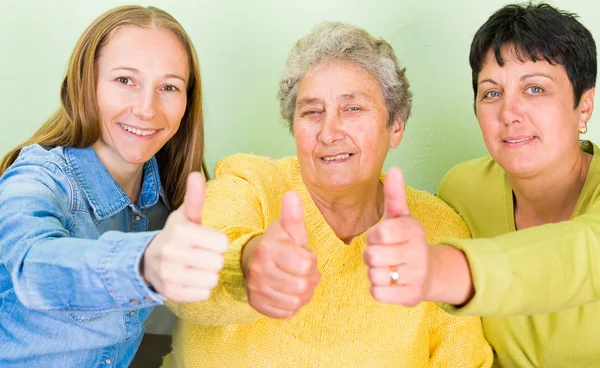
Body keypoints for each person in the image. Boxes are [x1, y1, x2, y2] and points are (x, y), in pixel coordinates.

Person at [163, 21, 492, 367]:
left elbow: (464, 360)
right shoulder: (250, 183)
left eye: (353, 109)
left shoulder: (438, 228)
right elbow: (182, 281)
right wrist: (245, 266)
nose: (329, 132)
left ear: (395, 126)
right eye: (312, 112)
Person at [371, 3, 600, 367]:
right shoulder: (462, 191)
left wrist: (438, 270)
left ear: (584, 105)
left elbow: (582, 256)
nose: (509, 113)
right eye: (491, 93)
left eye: (536, 89)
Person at [0, 5, 228, 367]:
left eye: (168, 87)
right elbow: (33, 266)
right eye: (125, 81)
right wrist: (143, 264)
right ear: (85, 83)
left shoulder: (171, 196)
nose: (146, 109)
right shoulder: (37, 179)